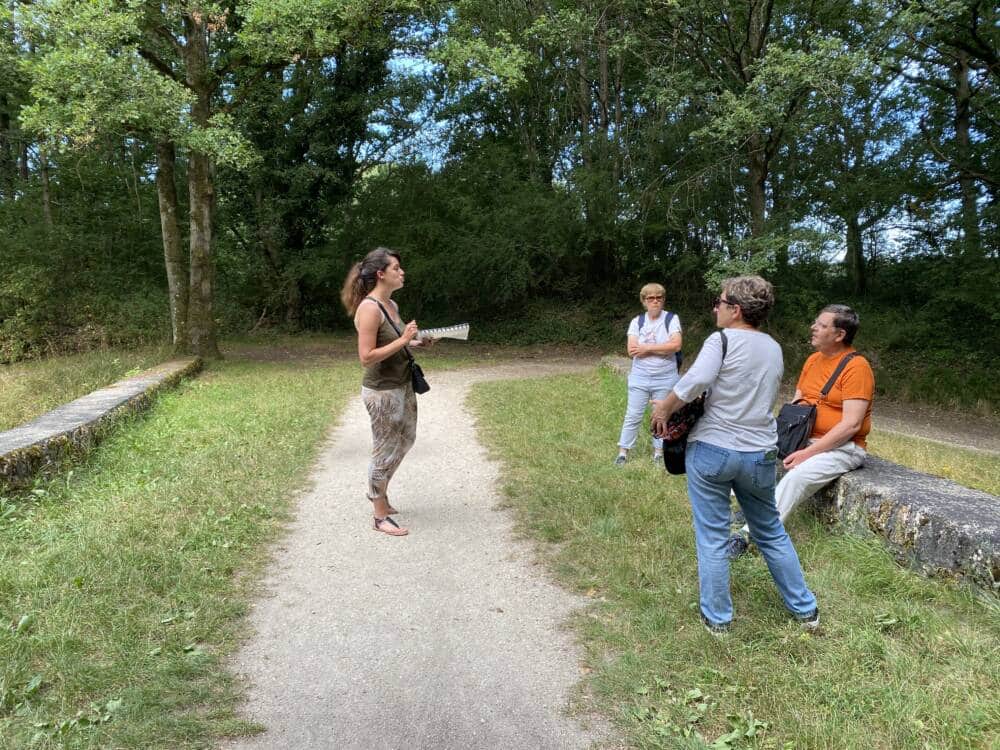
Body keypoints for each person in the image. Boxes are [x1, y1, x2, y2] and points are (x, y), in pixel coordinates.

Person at [651, 276, 819, 634]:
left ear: (736, 310)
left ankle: (718, 619)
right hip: (759, 454)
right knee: (771, 532)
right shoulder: (774, 347)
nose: (716, 307)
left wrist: (664, 409)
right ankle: (806, 610)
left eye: (720, 301)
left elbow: (695, 381)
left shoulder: (722, 340)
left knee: (712, 536)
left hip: (713, 449)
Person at [727, 304, 874, 557]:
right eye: (815, 322)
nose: (813, 327)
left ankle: (748, 536)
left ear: (839, 335)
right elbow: (798, 402)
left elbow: (851, 425)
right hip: (803, 437)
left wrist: (808, 452)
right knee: (749, 449)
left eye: (821, 325)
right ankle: (752, 507)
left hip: (843, 447)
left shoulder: (857, 368)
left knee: (796, 476)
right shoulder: (813, 360)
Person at [340, 247, 432, 537]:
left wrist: (415, 343)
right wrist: (405, 338)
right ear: (381, 274)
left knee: (406, 440)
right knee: (384, 449)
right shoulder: (369, 308)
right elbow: (366, 356)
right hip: (381, 392)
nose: (401, 272)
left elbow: (395, 342)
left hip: (402, 384)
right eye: (396, 268)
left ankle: (380, 495)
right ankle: (379, 514)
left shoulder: (391, 305)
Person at [614, 283, 683, 466]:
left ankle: (659, 453)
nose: (655, 301)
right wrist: (662, 349)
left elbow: (676, 345)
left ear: (663, 299)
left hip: (665, 377)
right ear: (644, 301)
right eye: (650, 298)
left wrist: (647, 348)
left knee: (661, 415)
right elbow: (632, 350)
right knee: (633, 415)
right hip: (640, 377)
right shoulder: (637, 322)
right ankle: (623, 453)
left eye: (659, 297)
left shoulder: (671, 319)